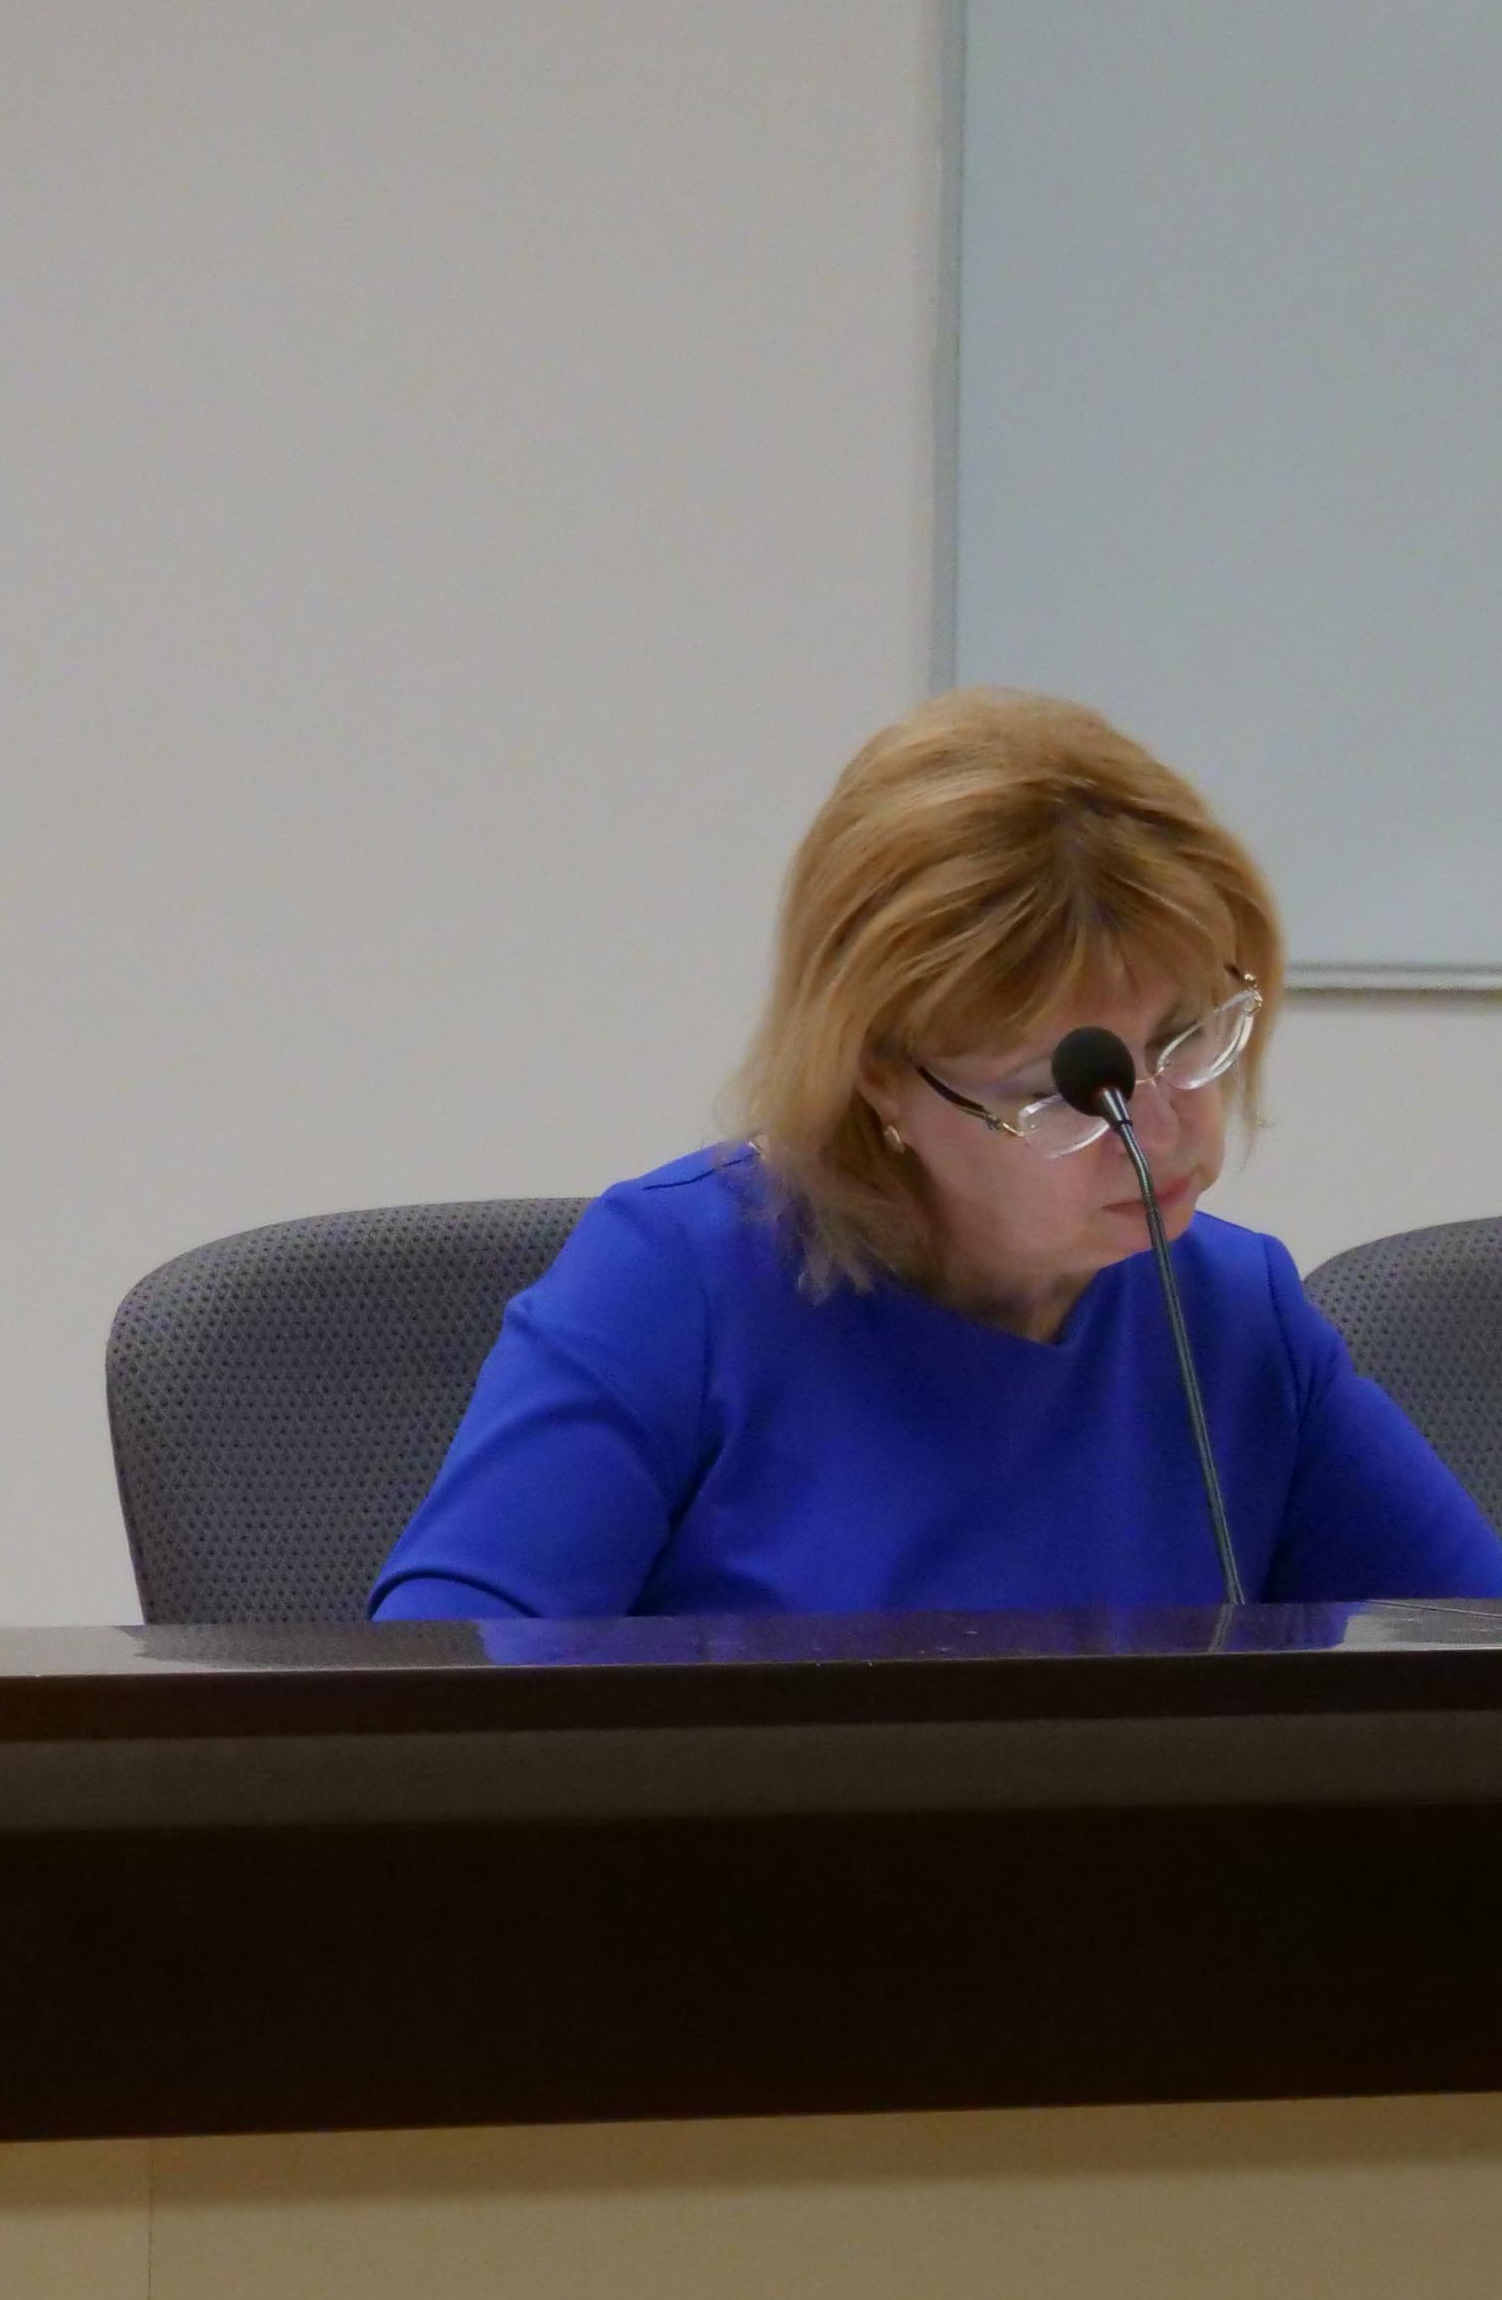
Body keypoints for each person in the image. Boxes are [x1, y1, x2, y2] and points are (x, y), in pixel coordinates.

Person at [374, 689, 1502, 1620]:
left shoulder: (1234, 1317)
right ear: (879, 1074)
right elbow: (432, 1713)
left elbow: (1468, 1665)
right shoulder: (676, 1284)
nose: (1161, 1131)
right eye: (1070, 1092)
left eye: (1189, 1039)